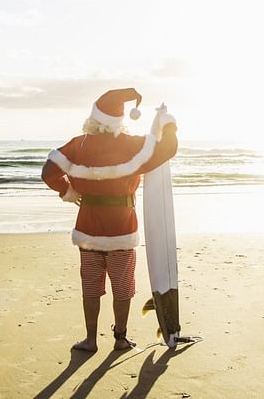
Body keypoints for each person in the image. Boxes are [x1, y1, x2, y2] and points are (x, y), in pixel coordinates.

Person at [41, 88, 178, 352]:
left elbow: (48, 171)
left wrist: (68, 190)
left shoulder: (78, 145)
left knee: (91, 286)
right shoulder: (132, 145)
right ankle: (120, 339)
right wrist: (168, 121)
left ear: (92, 119)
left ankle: (90, 340)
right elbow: (169, 148)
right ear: (119, 120)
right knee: (123, 286)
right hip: (122, 229)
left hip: (88, 229)